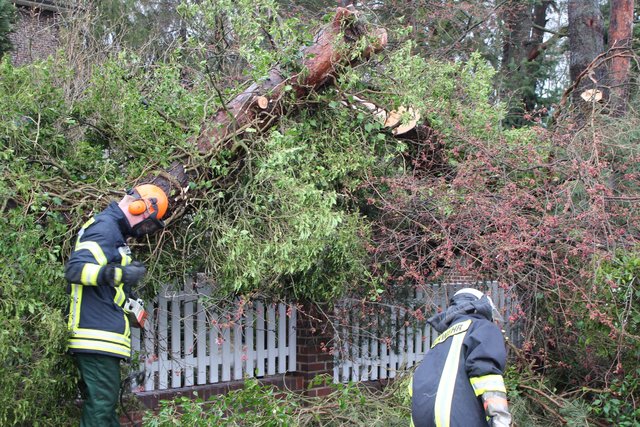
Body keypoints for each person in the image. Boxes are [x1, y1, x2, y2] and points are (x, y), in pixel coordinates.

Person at [64, 184, 169, 426]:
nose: (146, 228)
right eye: (149, 221)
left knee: (106, 409)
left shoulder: (114, 233)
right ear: (140, 207)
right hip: (95, 335)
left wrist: (133, 307)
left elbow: (108, 290)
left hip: (102, 336)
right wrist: (120, 274)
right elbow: (75, 270)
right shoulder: (105, 229)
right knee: (100, 409)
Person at [410, 288, 512, 427]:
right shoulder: (482, 327)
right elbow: (487, 376)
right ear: (481, 306)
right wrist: (501, 421)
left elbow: (416, 386)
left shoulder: (439, 342)